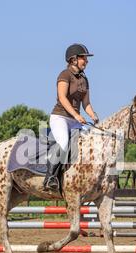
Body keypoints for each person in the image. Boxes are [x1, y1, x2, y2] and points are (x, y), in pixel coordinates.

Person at [43, 43, 99, 191]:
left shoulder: (84, 79)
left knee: (89, 144)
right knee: (63, 143)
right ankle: (51, 178)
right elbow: (62, 97)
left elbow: (86, 103)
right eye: (83, 58)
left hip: (75, 120)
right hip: (60, 117)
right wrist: (76, 114)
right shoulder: (64, 75)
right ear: (73, 59)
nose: (86, 61)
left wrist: (93, 116)